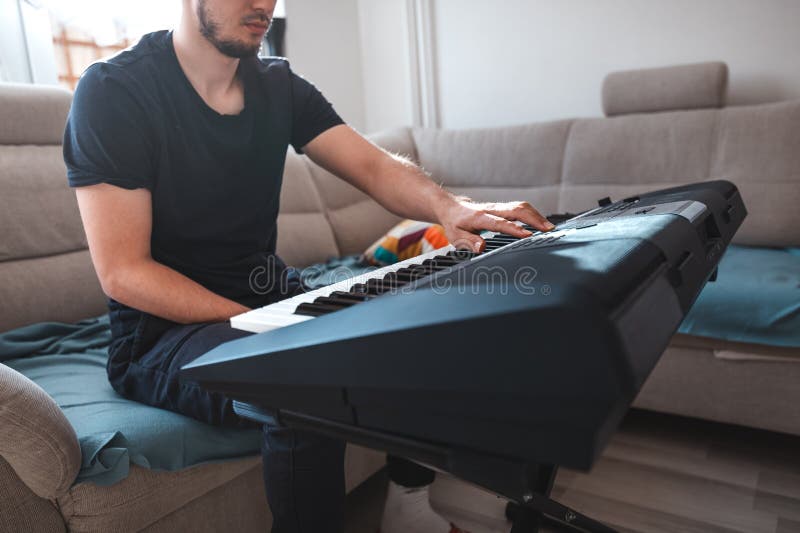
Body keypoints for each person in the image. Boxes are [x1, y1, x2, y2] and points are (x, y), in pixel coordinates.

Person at [63, 1, 555, 531]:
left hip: (268, 296)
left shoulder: (277, 84)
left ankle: (409, 508)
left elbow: (371, 164)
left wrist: (450, 208)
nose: (263, 5)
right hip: (161, 334)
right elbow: (124, 273)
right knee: (306, 379)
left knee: (414, 321)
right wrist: (273, 325)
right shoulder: (115, 92)